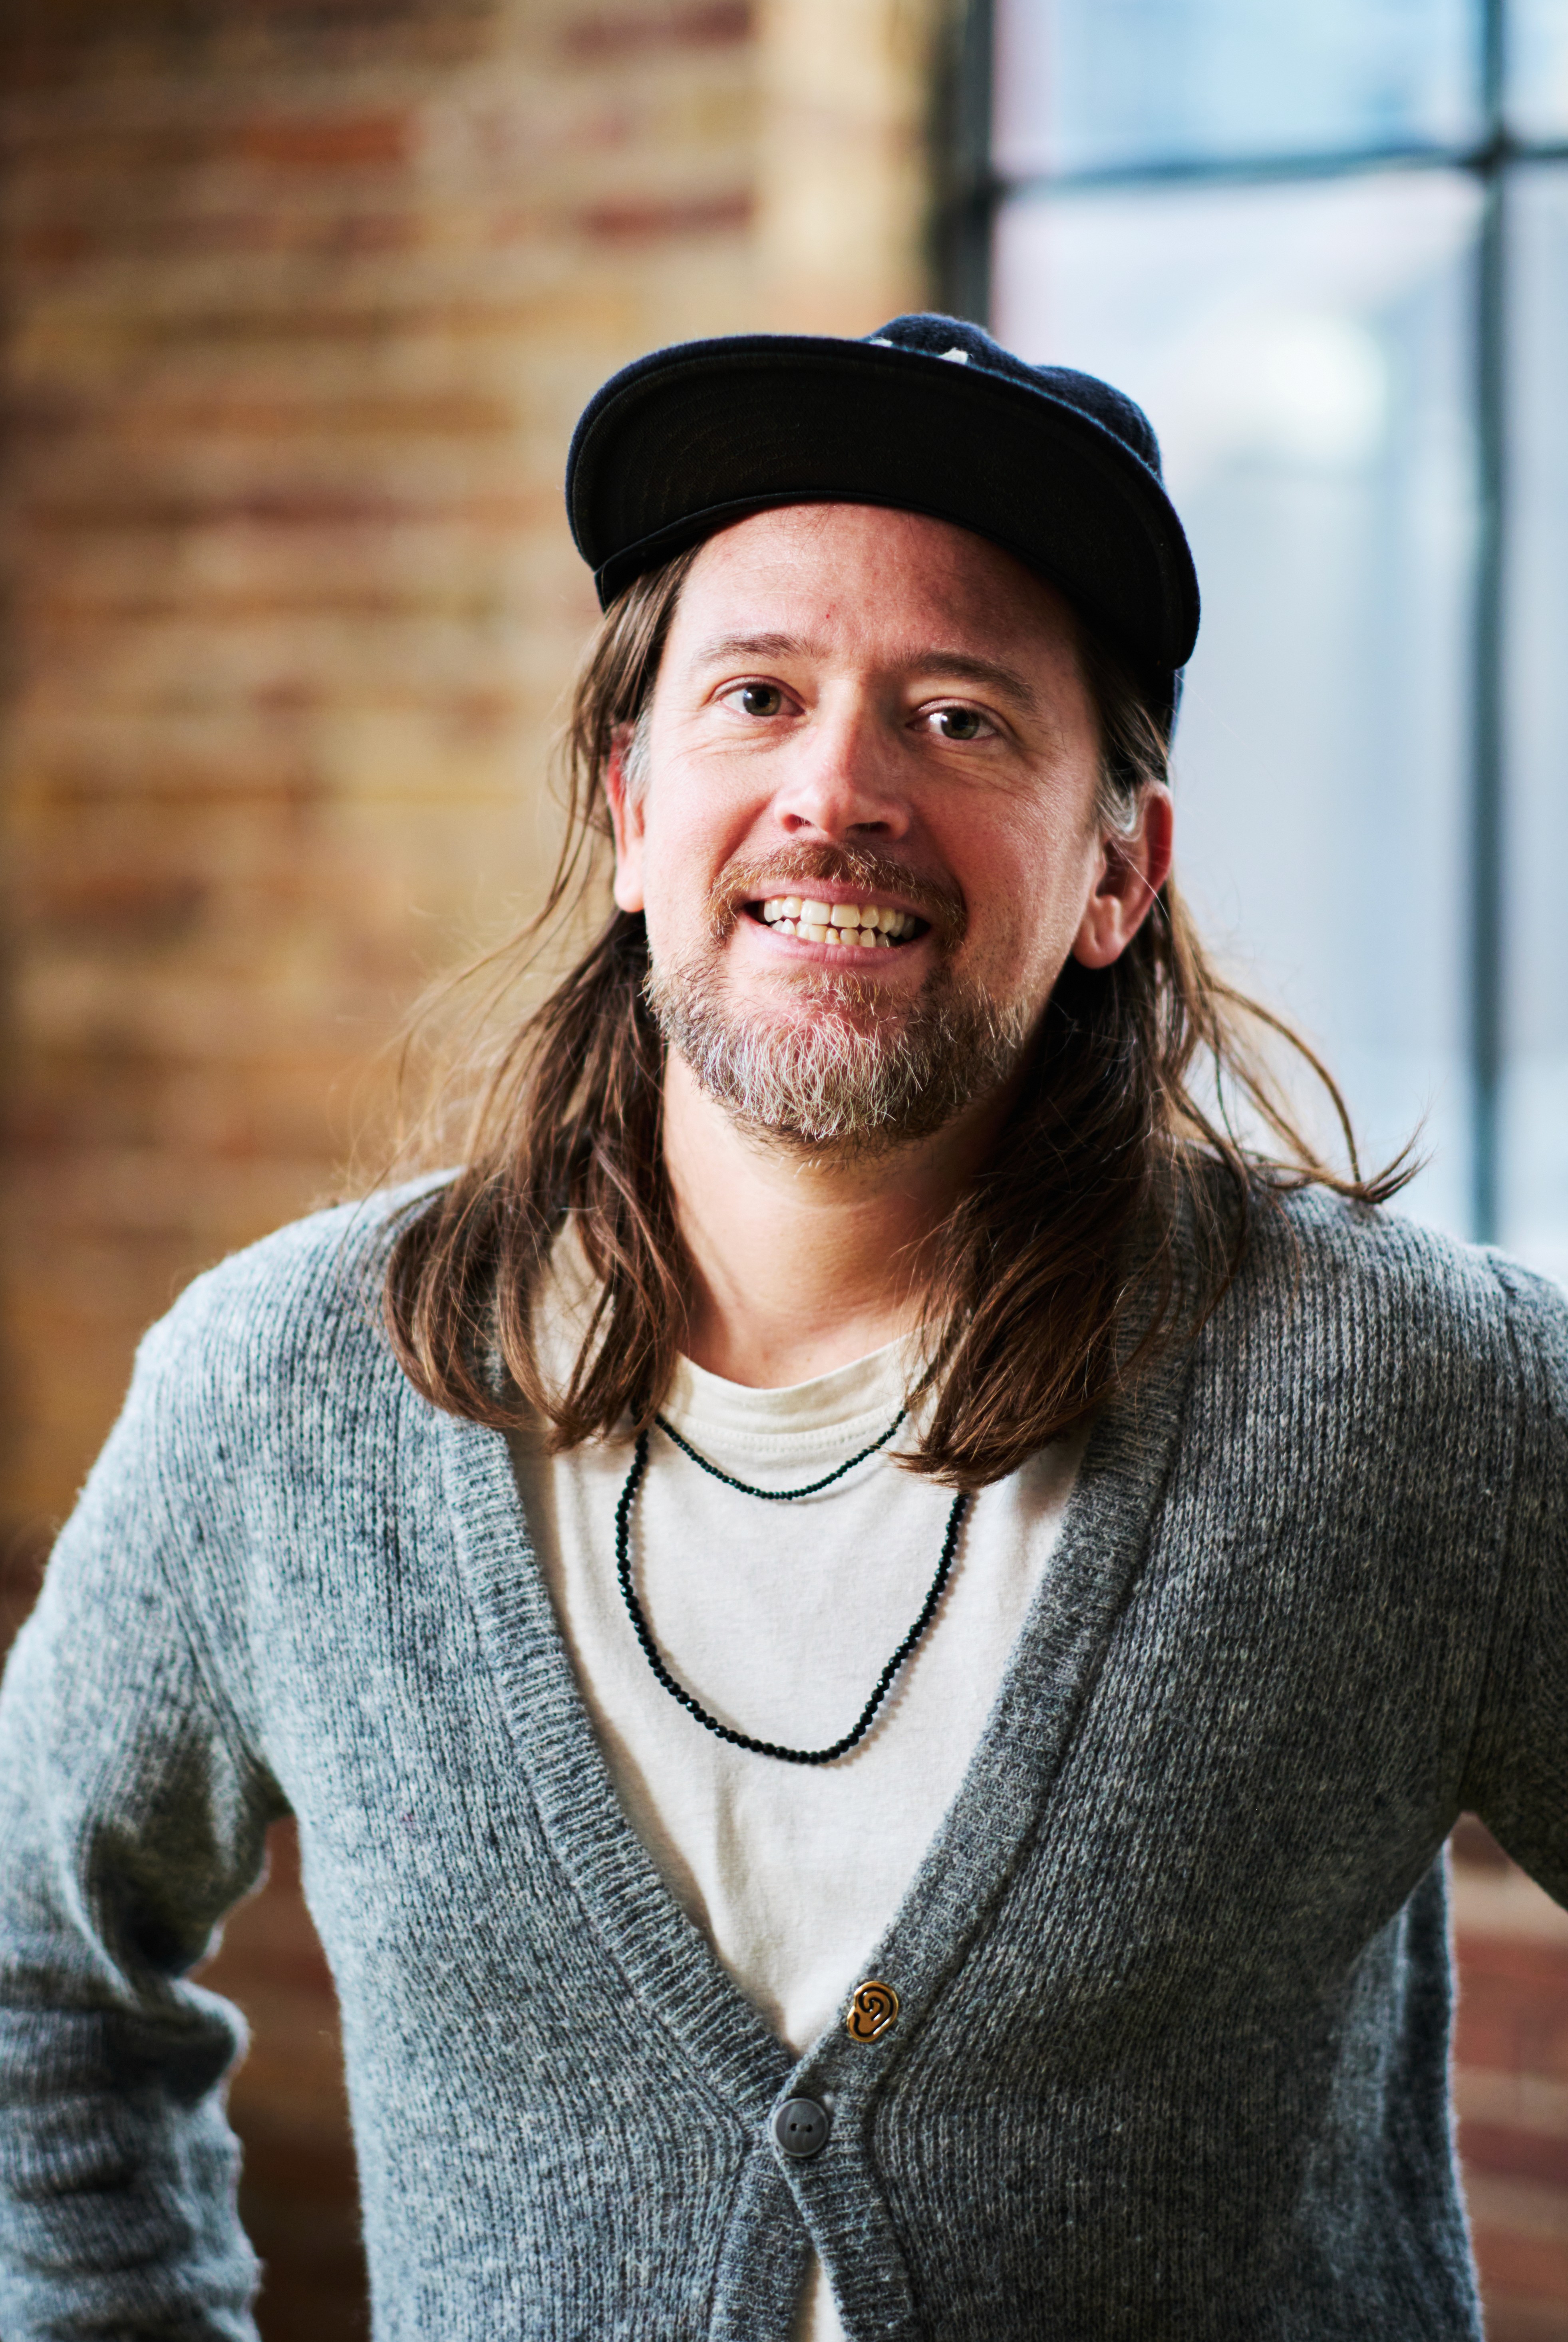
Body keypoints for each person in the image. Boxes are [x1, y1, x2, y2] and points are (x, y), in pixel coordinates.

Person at [0, 311, 1562, 2342]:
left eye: (961, 718)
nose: (838, 791)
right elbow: (36, 1977)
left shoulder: (1422, 1401)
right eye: (757, 696)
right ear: (630, 804)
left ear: (1118, 869)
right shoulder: (289, 1389)